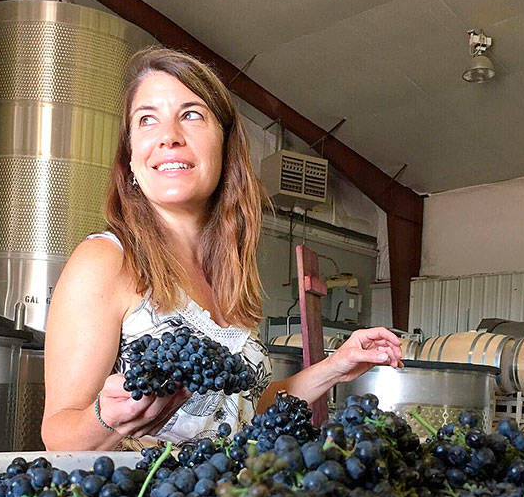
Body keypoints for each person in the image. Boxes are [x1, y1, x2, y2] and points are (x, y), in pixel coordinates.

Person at [42, 47, 402, 451]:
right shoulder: (106, 260)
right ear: (130, 160)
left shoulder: (229, 271)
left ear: (224, 144)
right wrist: (108, 420)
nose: (169, 136)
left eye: (191, 114)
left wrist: (335, 367)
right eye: (147, 120)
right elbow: (59, 435)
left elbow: (247, 409)